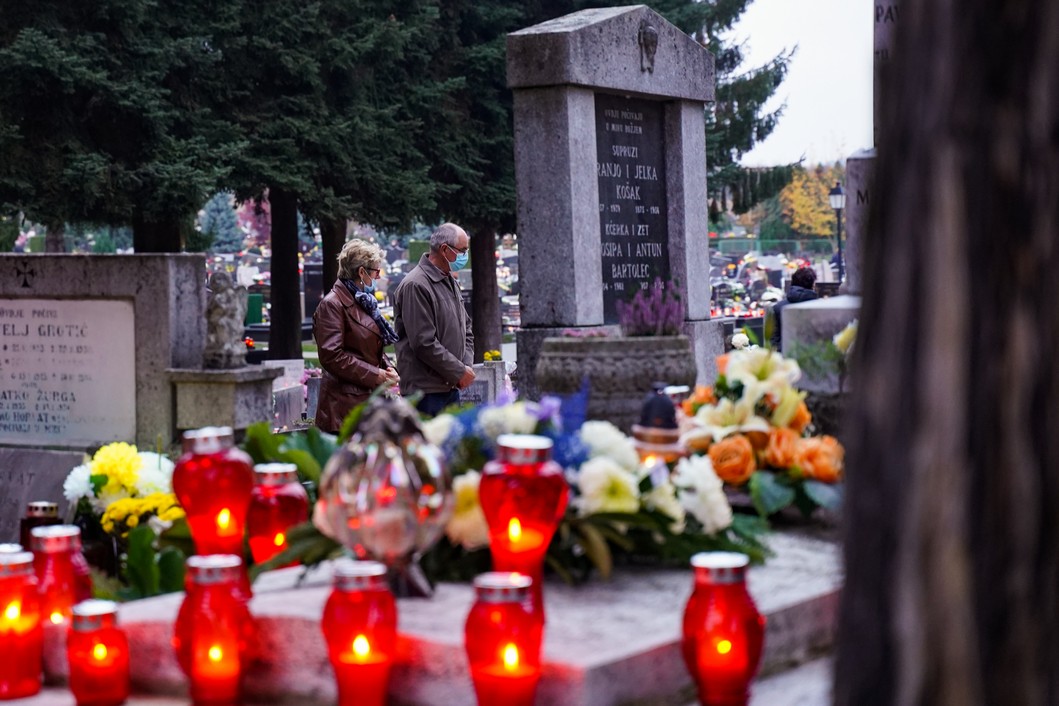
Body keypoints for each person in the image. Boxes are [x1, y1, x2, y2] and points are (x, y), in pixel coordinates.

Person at [312, 239, 400, 433]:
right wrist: (375, 374)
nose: (378, 276)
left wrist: (388, 369)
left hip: (363, 400)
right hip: (343, 407)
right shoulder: (332, 304)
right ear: (362, 272)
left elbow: (369, 346)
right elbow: (332, 356)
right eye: (376, 271)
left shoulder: (362, 300)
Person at [393, 222, 475, 416]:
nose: (465, 256)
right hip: (425, 391)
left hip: (450, 385)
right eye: (462, 250)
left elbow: (466, 328)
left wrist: (465, 367)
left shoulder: (449, 280)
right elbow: (423, 342)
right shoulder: (416, 285)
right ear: (445, 249)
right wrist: (458, 371)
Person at [769, 266, 818, 351]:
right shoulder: (820, 307)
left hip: (786, 355)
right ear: (812, 285)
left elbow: (773, 340)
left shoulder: (777, 308)